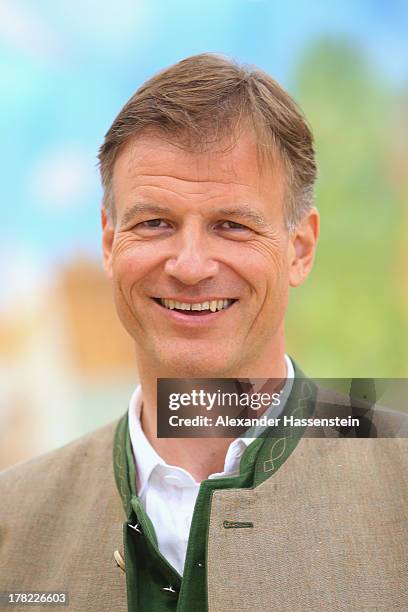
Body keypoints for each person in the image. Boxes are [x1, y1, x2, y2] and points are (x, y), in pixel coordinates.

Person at [1, 53, 407, 612]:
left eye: (232, 226)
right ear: (107, 240)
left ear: (300, 249)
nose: (190, 266)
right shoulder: (12, 523)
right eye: (155, 223)